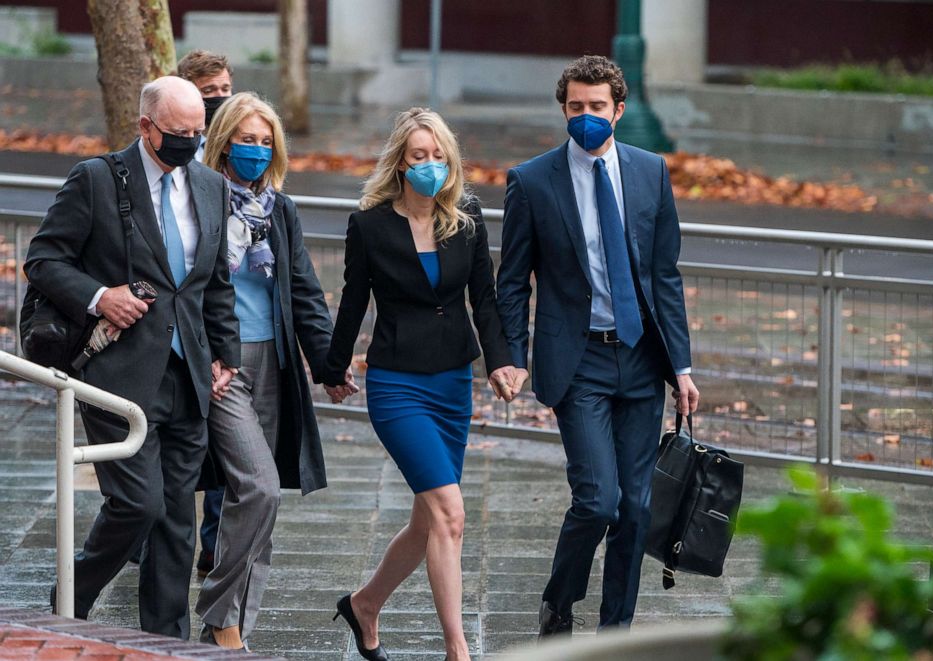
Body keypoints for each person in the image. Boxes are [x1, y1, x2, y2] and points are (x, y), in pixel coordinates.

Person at [24, 76, 240, 639]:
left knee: (176, 523)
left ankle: (168, 643)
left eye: (199, 132)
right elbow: (45, 259)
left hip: (188, 375)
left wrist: (225, 355)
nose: (191, 142)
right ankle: (71, 595)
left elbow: (213, 284)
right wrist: (101, 296)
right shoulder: (96, 180)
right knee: (139, 505)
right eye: (178, 133)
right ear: (146, 127)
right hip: (118, 373)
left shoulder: (212, 187)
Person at [496, 55, 701, 635]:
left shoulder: (650, 171)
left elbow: (665, 275)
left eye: (597, 107)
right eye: (576, 107)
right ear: (564, 108)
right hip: (577, 358)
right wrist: (512, 355)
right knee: (598, 501)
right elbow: (512, 280)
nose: (587, 116)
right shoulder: (532, 181)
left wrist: (681, 366)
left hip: (641, 357)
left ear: (619, 109)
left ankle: (617, 633)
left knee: (636, 507)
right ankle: (559, 603)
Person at [323, 107, 522, 661]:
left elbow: (484, 297)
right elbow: (354, 300)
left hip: (454, 382)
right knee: (451, 513)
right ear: (400, 162)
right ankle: (458, 649)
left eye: (438, 155)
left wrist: (500, 362)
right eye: (419, 156)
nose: (430, 165)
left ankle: (364, 604)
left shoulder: (467, 218)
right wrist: (334, 366)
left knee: (428, 519)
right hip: (397, 385)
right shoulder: (369, 225)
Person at [192, 91, 343, 650]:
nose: (255, 151)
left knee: (261, 500)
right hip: (222, 366)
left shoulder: (280, 210)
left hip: (274, 362)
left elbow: (304, 292)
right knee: (258, 489)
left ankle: (231, 630)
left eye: (265, 142)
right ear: (223, 141)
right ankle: (218, 612)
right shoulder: (200, 200)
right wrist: (202, 352)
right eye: (245, 140)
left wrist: (328, 364)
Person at [178, 47, 234, 577]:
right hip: (180, 324)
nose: (220, 100)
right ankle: (159, 537)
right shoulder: (180, 159)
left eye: (224, 89)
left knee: (223, 448)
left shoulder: (241, 150)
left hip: (226, 322)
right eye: (208, 93)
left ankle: (214, 546)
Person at [177, 49, 233, 162]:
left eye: (225, 89)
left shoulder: (241, 139)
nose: (220, 96)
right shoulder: (177, 146)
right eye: (208, 90)